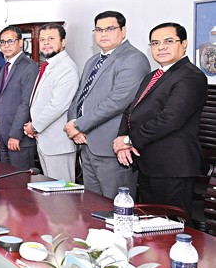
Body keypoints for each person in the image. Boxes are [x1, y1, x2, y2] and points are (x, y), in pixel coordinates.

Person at [115, 22, 207, 218]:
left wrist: (129, 140)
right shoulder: (152, 76)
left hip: (173, 167)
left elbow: (170, 119)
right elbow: (130, 111)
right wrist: (122, 139)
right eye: (155, 43)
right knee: (150, 225)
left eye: (169, 41)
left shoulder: (191, 76)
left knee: (172, 225)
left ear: (184, 44)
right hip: (148, 164)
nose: (161, 47)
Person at [65, 11, 149, 198]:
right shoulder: (93, 61)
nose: (103, 34)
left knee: (115, 206)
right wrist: (74, 124)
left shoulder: (134, 59)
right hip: (86, 144)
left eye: (110, 29)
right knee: (92, 204)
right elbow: (79, 97)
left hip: (112, 147)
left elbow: (117, 101)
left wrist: (79, 124)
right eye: (99, 30)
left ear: (123, 31)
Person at [22, 24, 79, 181]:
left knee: (62, 191)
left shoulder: (66, 68)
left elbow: (57, 106)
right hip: (45, 141)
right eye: (42, 39)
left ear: (63, 42)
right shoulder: (48, 65)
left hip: (58, 144)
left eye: (51, 38)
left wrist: (34, 126)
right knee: (49, 190)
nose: (46, 42)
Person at [0, 25, 39, 169]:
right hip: (3, 134)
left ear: (20, 42)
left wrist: (15, 135)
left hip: (19, 138)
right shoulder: (5, 67)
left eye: (10, 41)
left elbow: (26, 103)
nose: (6, 45)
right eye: (2, 42)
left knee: (20, 179)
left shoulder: (29, 66)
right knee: (6, 177)